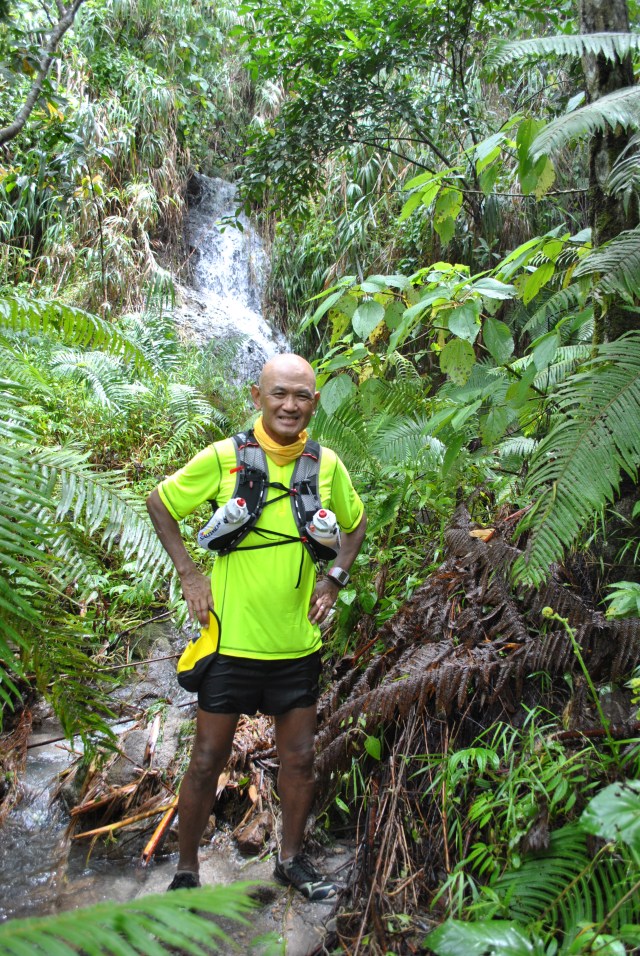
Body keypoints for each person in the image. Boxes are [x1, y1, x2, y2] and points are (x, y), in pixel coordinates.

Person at [146, 353, 366, 900]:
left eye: (301, 396)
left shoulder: (328, 466)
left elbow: (356, 525)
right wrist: (190, 573)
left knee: (299, 760)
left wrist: (334, 578)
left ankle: (290, 861)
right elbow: (160, 503)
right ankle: (188, 869)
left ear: (315, 401)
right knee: (204, 760)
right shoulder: (224, 459)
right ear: (257, 397)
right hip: (230, 645)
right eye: (279, 394)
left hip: (296, 646)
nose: (290, 405)